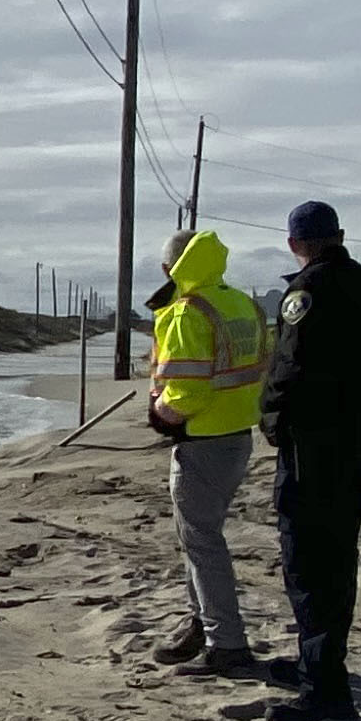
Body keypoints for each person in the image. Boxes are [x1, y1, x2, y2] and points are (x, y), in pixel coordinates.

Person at [257, 197, 361, 721]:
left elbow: (290, 365)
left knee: (308, 559)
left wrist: (272, 417)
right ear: (339, 234)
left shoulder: (307, 291)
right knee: (338, 556)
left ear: (295, 244)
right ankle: (314, 663)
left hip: (313, 443)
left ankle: (324, 687)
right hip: (354, 437)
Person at [140, 224, 267, 676]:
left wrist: (161, 413)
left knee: (202, 543)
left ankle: (226, 644)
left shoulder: (187, 313)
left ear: (170, 268)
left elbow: (188, 392)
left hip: (203, 439)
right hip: (238, 436)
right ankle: (203, 625)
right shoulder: (240, 303)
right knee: (200, 538)